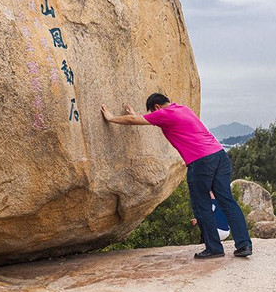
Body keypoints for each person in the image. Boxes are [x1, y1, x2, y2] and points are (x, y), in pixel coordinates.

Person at [101, 93, 253, 259]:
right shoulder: (182, 110)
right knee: (227, 201)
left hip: (201, 161)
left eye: (152, 112)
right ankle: (244, 245)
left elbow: (134, 122)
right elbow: (145, 120)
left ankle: (214, 248)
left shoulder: (165, 114)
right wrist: (136, 116)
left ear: (157, 108)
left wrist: (111, 117)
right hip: (220, 156)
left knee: (201, 205)